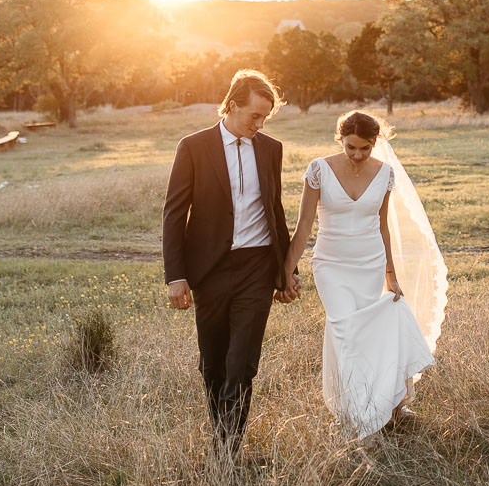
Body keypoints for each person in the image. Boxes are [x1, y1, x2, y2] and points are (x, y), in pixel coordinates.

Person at [162, 70, 300, 457]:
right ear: (232, 105)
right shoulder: (193, 146)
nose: (259, 124)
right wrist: (177, 276)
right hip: (210, 271)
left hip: (256, 268)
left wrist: (287, 272)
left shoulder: (271, 149)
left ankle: (227, 451)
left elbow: (275, 211)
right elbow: (174, 213)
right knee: (214, 365)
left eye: (265, 118)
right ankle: (221, 438)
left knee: (242, 365)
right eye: (254, 116)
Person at [284, 110, 446, 440]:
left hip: (370, 262)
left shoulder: (385, 173)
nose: (358, 155)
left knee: (369, 334)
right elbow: (303, 228)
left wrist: (391, 274)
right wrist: (284, 273)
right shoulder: (319, 170)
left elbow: (383, 226)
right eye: (351, 148)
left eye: (365, 148)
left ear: (375, 143)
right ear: (340, 140)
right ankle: (358, 417)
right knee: (345, 331)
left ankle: (383, 404)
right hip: (331, 264)